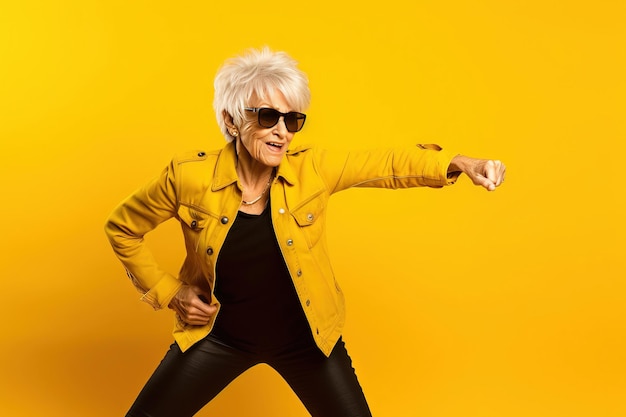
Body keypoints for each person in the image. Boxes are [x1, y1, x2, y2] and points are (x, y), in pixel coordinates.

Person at [104, 47, 506, 417]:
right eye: (266, 117)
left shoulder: (311, 168)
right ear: (230, 119)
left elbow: (385, 164)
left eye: (292, 119)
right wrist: (172, 294)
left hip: (308, 341)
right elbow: (122, 227)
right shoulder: (188, 177)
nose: (282, 131)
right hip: (217, 337)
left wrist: (459, 162)